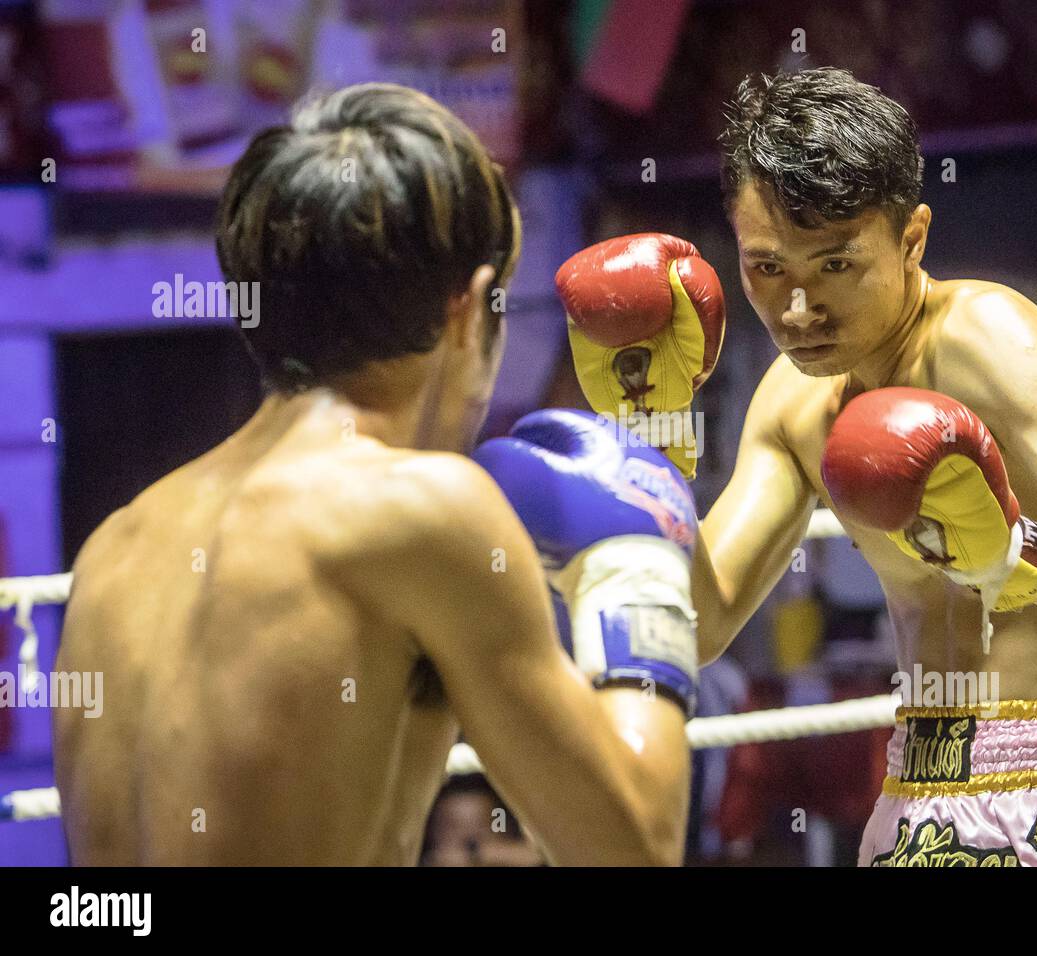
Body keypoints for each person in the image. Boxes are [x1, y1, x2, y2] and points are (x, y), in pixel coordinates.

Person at [559, 68, 1037, 866]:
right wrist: (648, 443)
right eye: (768, 269)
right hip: (911, 800)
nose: (797, 309)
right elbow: (703, 621)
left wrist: (1013, 555)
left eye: (834, 265)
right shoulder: (791, 402)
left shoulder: (991, 341)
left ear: (911, 239)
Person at [53, 83, 698, 866]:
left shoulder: (115, 547)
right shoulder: (419, 511)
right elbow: (637, 845)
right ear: (470, 309)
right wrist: (639, 566)